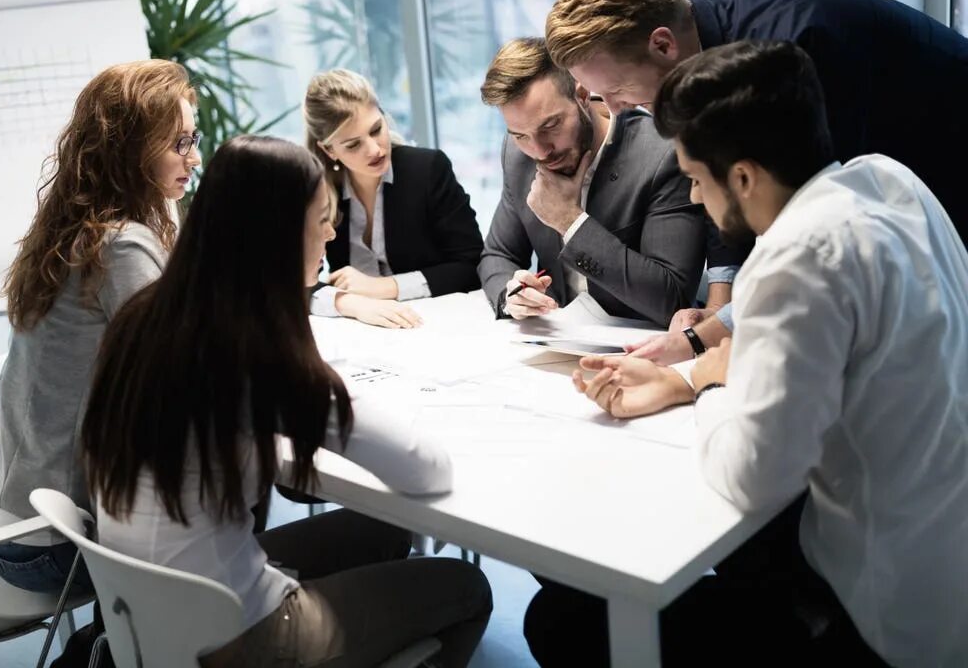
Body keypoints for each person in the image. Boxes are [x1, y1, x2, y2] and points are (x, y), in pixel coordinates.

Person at [531, 41, 968, 666]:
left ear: (742, 176)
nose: (699, 200)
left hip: (884, 614)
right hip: (952, 556)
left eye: (695, 180)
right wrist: (682, 378)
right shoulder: (887, 181)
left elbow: (753, 476)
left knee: (562, 620)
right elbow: (817, 361)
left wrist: (708, 387)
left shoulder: (792, 259)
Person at [80, 135, 493, 667]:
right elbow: (426, 470)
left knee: (382, 529)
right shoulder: (253, 352)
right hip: (240, 639)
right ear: (277, 233)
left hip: (155, 612)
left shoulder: (147, 316)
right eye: (321, 218)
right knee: (463, 585)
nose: (331, 232)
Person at [545, 0, 968, 363]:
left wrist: (704, 344)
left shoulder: (789, 57)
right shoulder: (683, 26)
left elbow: (803, 246)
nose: (616, 110)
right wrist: (720, 299)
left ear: (662, 45)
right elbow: (722, 177)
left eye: (617, 89)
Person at [0, 60, 202, 596]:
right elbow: (181, 372)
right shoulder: (120, 243)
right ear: (133, 149)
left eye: (193, 139)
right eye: (179, 144)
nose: (194, 158)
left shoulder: (71, 225)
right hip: (47, 545)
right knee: (221, 510)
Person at [477, 37, 705, 327]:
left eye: (551, 125)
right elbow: (497, 255)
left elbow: (672, 299)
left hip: (642, 347)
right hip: (555, 343)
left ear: (582, 94)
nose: (540, 151)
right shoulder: (517, 154)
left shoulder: (662, 155)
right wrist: (511, 296)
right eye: (521, 135)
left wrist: (570, 223)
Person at [305, 69, 484, 329]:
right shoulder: (317, 192)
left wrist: (385, 287)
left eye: (377, 129)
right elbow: (292, 280)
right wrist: (349, 303)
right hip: (356, 330)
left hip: (433, 322)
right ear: (329, 150)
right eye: (353, 145)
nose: (375, 149)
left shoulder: (427, 169)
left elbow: (472, 266)